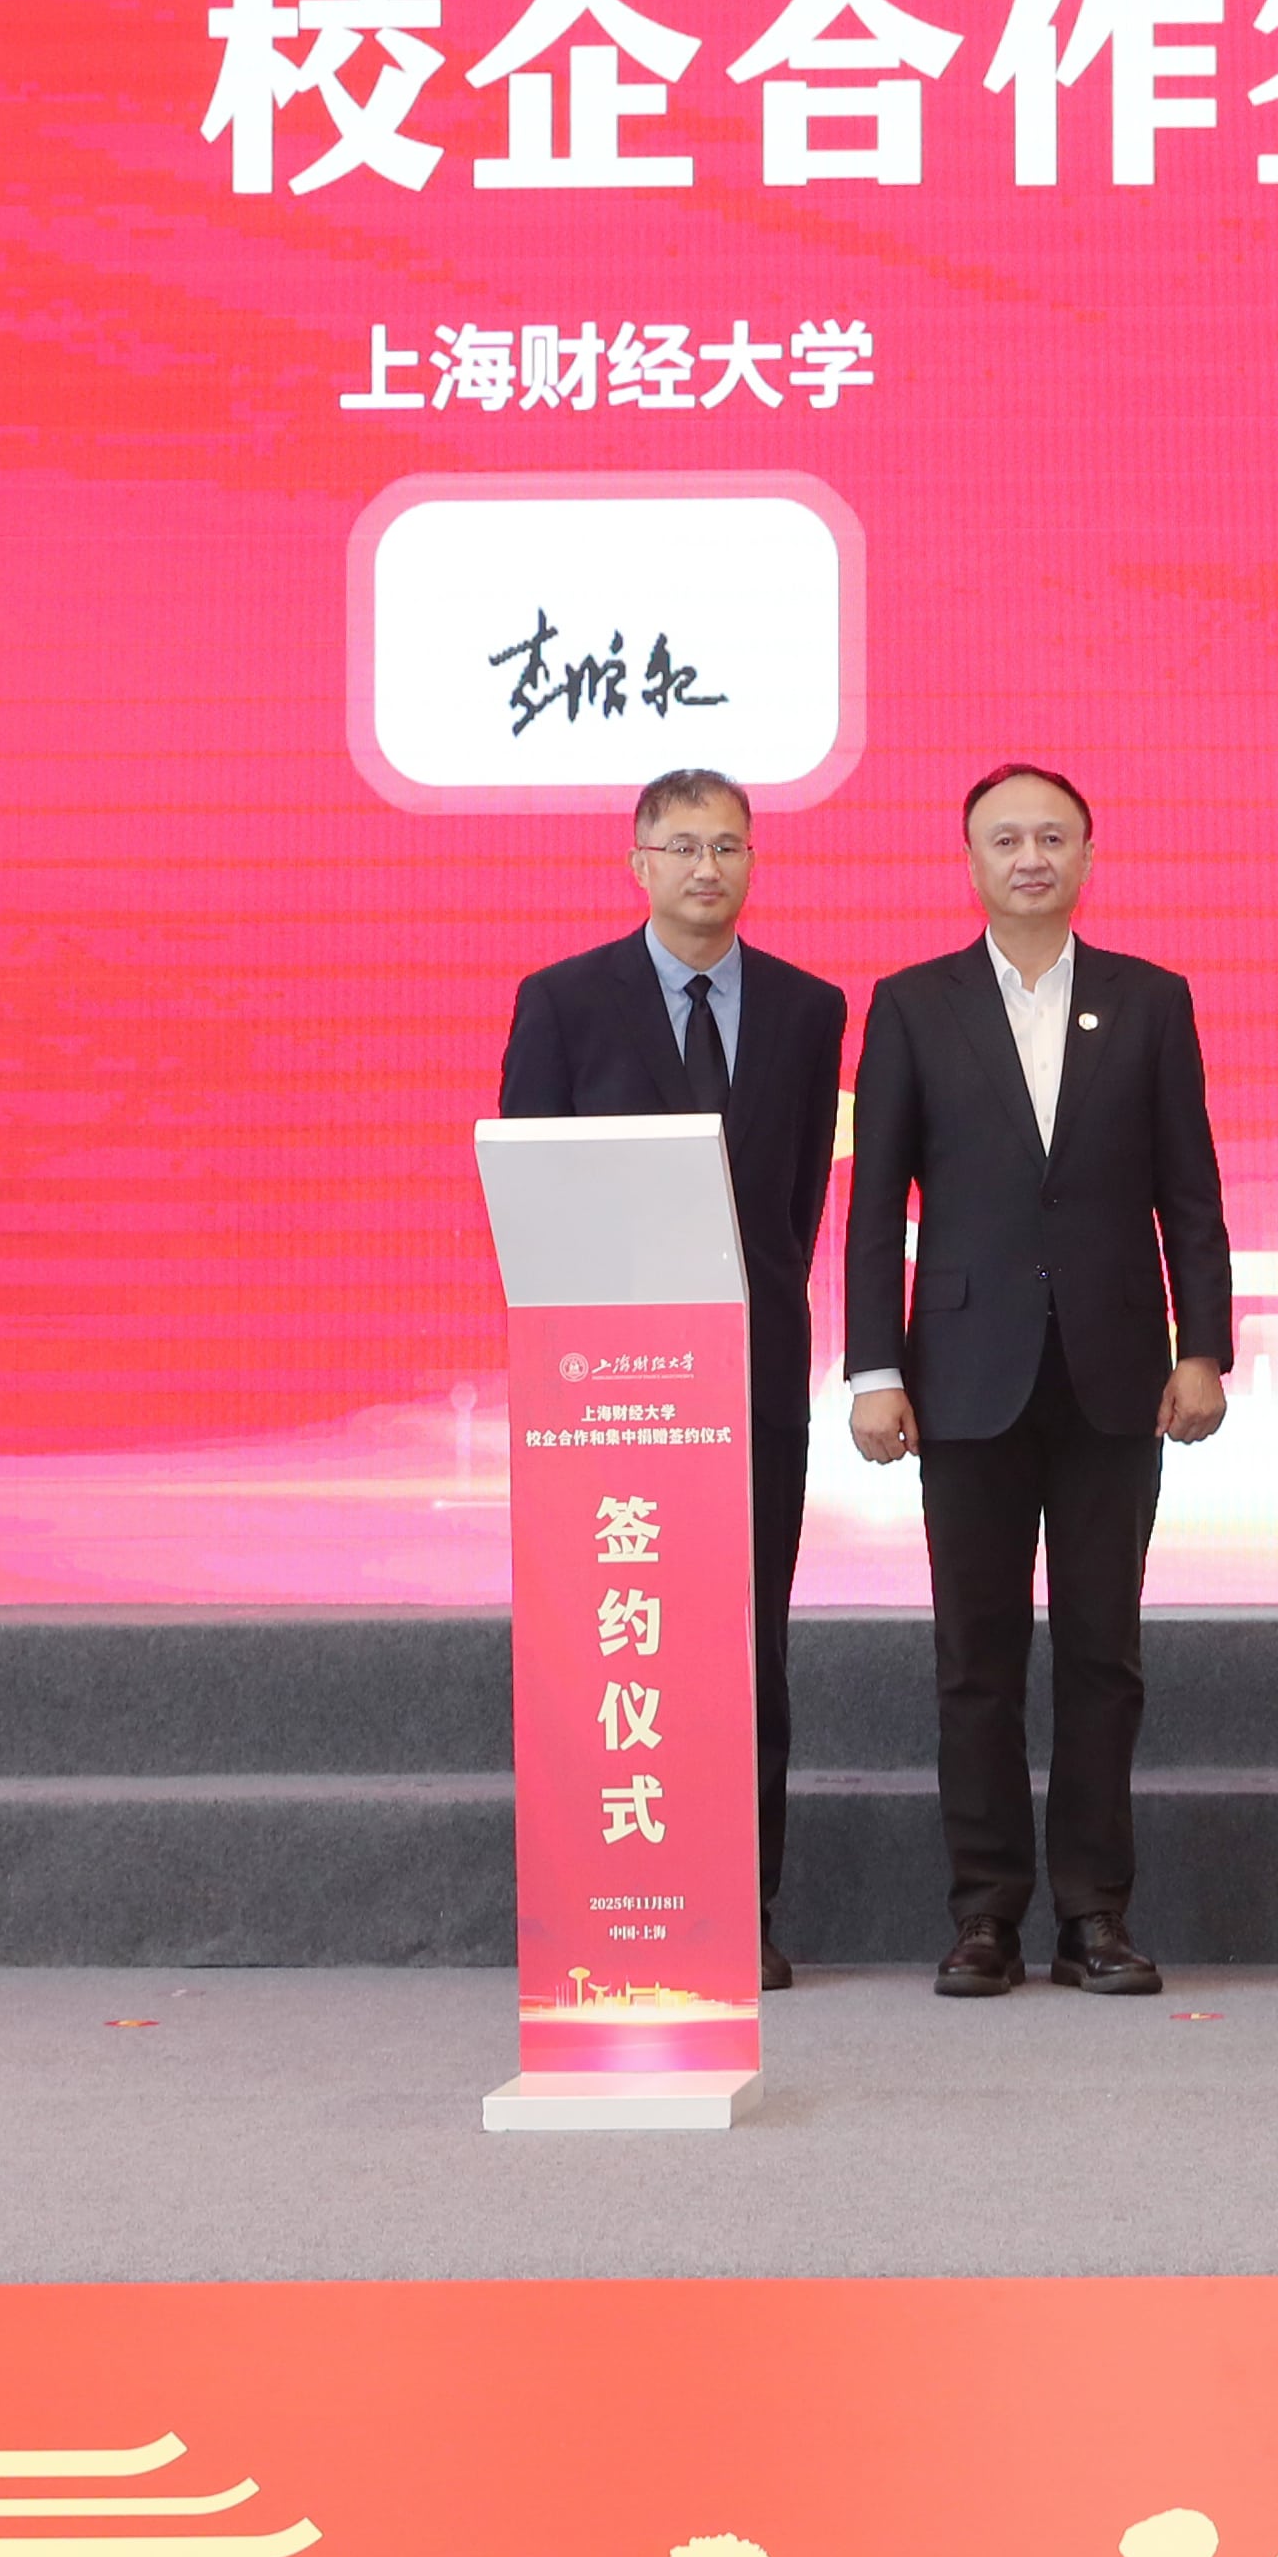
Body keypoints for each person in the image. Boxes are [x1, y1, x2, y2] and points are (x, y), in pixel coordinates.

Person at [844, 763, 1233, 1999]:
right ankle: (985, 1914)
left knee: (1104, 1654)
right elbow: (874, 1207)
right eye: (1005, 838)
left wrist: (1205, 1346)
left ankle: (1094, 1912)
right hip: (963, 1377)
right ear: (969, 860)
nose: (1030, 857)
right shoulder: (912, 1003)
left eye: (1052, 836)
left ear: (1088, 854)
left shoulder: (1151, 998)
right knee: (978, 1657)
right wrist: (873, 1366)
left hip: (1117, 1372)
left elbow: (1191, 1191)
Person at [496, 770, 848, 1988]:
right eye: (684, 845)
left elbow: (794, 1206)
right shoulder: (562, 1000)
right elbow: (533, 1193)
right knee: (617, 1640)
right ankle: (611, 1904)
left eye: (730, 846)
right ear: (638, 861)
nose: (708, 867)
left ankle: (742, 1905)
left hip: (753, 1376)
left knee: (747, 1645)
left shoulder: (810, 1007)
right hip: (606, 1388)